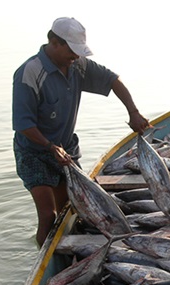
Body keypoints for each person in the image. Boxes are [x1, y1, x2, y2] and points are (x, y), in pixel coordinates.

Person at [12, 17, 150, 247]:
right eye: (71, 50)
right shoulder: (29, 73)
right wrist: (49, 146)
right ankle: (43, 262)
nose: (75, 56)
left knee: (71, 210)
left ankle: (64, 253)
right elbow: (23, 124)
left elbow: (112, 80)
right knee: (48, 216)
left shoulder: (77, 65)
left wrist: (133, 112)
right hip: (34, 152)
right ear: (54, 42)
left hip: (65, 149)